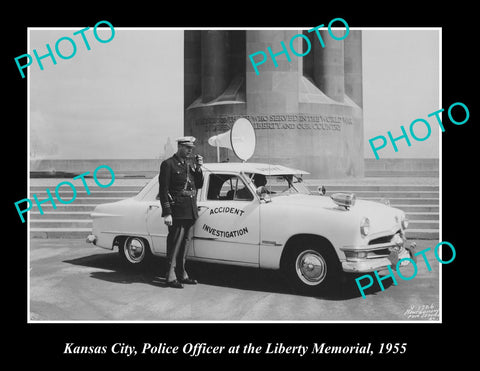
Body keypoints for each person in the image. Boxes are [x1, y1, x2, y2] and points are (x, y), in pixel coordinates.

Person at [158, 136, 204, 288]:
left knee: (185, 244)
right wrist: (167, 212)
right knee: (175, 244)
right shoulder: (168, 164)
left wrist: (198, 168)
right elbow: (163, 190)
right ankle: (170, 277)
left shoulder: (189, 165)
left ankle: (182, 274)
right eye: (188, 148)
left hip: (190, 209)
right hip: (177, 211)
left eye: (191, 149)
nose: (190, 151)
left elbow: (199, 184)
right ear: (180, 147)